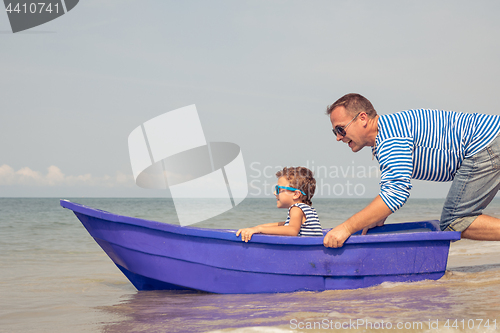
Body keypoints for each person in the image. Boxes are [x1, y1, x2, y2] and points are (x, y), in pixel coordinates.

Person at [323, 93, 500, 248]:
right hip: (491, 140)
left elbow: (396, 193)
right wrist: (377, 215)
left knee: (455, 221)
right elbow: (394, 188)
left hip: (486, 145)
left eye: (341, 129)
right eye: (334, 132)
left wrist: (346, 228)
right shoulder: (390, 131)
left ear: (362, 118)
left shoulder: (390, 139)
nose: (338, 138)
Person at [236, 166, 323, 242]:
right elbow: (283, 225)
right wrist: (257, 228)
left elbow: (292, 230)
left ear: (296, 194)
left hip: (304, 253)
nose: (275, 193)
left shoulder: (296, 208)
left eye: (278, 189)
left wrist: (259, 229)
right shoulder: (308, 209)